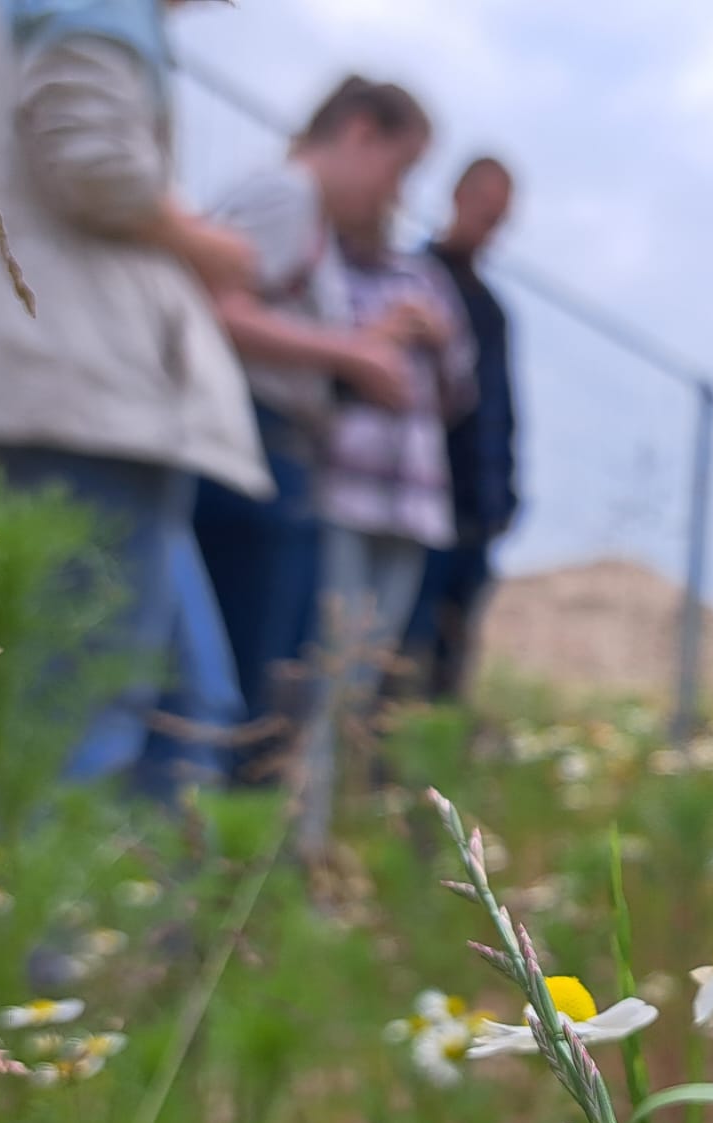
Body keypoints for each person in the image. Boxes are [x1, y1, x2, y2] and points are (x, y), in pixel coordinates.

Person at [0, 0, 269, 793]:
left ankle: (126, 909)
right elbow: (93, 162)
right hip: (75, 386)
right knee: (95, 703)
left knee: (178, 699)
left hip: (54, 384)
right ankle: (64, 912)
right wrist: (210, 245)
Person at [193, 77, 431, 766]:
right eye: (401, 168)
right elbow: (220, 309)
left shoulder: (308, 221)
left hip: (275, 451)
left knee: (266, 673)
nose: (396, 194)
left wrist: (361, 351)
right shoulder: (288, 196)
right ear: (360, 133)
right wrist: (355, 352)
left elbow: (272, 320)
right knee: (252, 675)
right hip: (251, 452)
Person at [299, 180, 479, 856]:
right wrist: (373, 338)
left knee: (364, 684)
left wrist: (435, 337)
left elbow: (462, 386)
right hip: (340, 493)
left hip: (413, 503)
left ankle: (333, 837)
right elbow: (317, 363)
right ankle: (305, 841)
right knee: (327, 672)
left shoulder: (423, 278)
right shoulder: (325, 269)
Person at [403, 156, 519, 699]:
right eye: (485, 211)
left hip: (476, 512)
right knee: (404, 647)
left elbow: (504, 413)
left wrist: (505, 497)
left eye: (500, 218)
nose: (490, 228)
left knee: (451, 661)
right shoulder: (414, 282)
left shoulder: (494, 312)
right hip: (418, 502)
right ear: (457, 197)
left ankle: (430, 775)